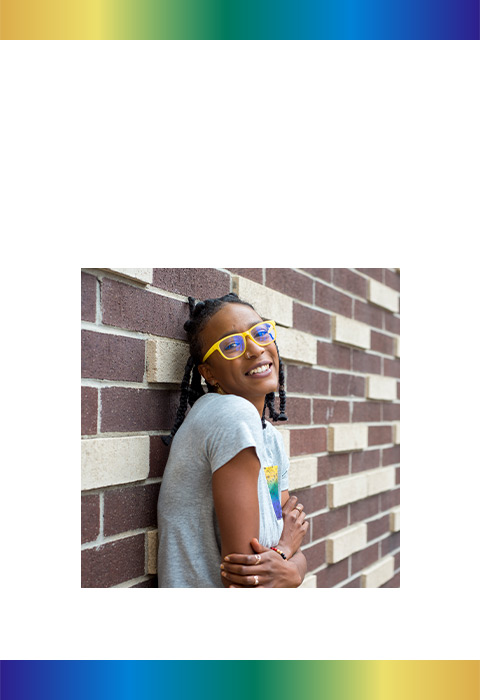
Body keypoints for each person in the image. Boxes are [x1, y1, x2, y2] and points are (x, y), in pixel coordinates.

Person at [157, 293, 309, 587]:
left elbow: (288, 528)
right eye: (231, 345)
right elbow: (248, 579)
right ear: (209, 373)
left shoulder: (269, 438)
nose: (254, 348)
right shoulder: (231, 415)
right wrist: (285, 551)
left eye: (260, 331)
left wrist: (292, 563)